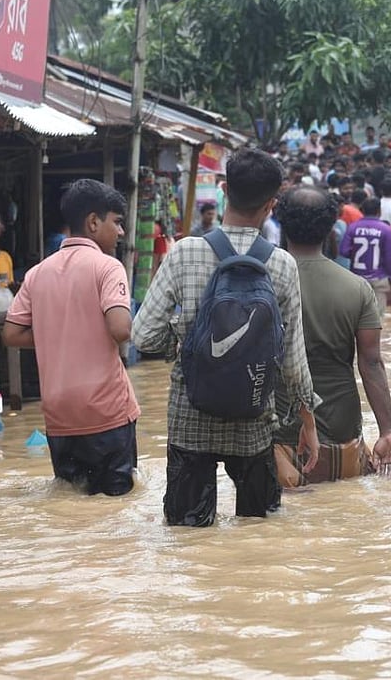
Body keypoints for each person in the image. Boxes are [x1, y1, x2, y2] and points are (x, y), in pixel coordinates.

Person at [131, 148, 320, 527]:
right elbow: (292, 360)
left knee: (188, 536)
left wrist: (188, 343)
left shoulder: (184, 253)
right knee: (259, 533)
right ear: (272, 204)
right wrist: (308, 423)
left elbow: (143, 335)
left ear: (223, 190)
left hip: (190, 417)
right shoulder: (281, 264)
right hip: (253, 419)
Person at [2, 180, 140, 495]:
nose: (120, 232)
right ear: (93, 222)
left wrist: (60, 333)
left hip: (59, 417)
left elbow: (11, 333)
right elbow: (120, 329)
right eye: (116, 222)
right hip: (106, 414)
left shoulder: (38, 272)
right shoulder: (108, 267)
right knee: (117, 509)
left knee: (71, 503)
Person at [270, 186, 391, 488]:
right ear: (332, 226)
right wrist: (387, 432)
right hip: (341, 428)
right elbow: (371, 364)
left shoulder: (262, 281)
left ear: (281, 222)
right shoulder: (357, 288)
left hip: (277, 429)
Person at [341, 197, 391, 302]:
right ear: (379, 211)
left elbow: (344, 251)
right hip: (378, 277)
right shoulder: (385, 229)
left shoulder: (353, 227)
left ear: (362, 210)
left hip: (357, 277)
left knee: (357, 314)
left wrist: (358, 254)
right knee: (377, 315)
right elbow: (389, 257)